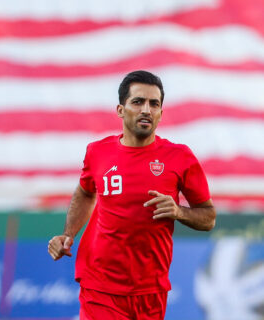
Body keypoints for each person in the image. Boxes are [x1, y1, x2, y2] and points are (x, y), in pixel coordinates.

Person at [48, 70, 216, 320]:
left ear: (160, 113)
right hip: (100, 285)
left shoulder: (180, 157)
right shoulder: (97, 152)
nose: (146, 109)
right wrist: (68, 234)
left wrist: (179, 211)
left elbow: (209, 218)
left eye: (154, 104)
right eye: (138, 102)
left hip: (151, 290)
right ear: (120, 109)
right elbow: (85, 192)